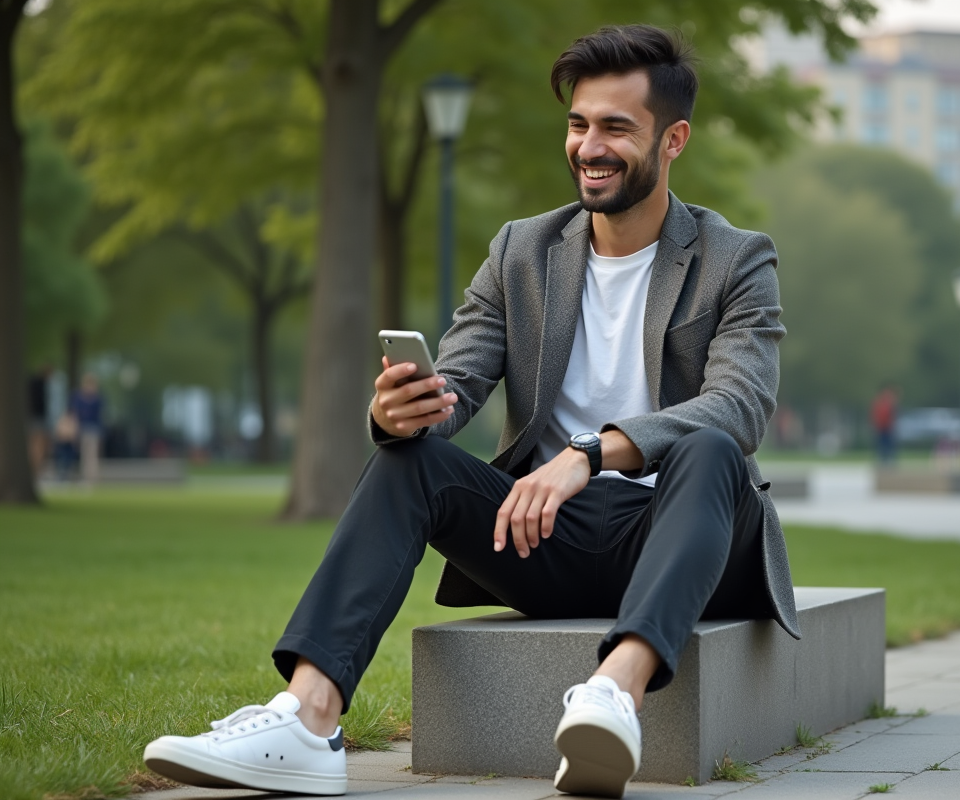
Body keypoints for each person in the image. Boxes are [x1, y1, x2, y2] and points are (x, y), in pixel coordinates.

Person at [143, 24, 797, 799]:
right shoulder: (522, 251)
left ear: (673, 139)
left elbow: (738, 407)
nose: (591, 146)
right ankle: (308, 720)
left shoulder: (736, 257)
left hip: (689, 532)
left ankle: (612, 700)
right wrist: (403, 411)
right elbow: (456, 383)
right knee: (406, 459)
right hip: (546, 532)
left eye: (617, 128)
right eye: (579, 124)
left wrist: (585, 454)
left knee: (712, 447)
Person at [70, 373, 104, 484]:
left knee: (92, 455)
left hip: (93, 429)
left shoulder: (97, 399)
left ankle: (92, 478)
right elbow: (75, 415)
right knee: (84, 454)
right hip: (82, 428)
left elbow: (100, 417)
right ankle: (86, 477)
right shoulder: (78, 398)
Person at [871, 383, 898, 466]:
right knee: (882, 445)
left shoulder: (890, 403)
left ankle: (889, 460)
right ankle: (883, 460)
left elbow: (893, 414)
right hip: (881, 427)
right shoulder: (879, 403)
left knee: (889, 445)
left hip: (888, 427)